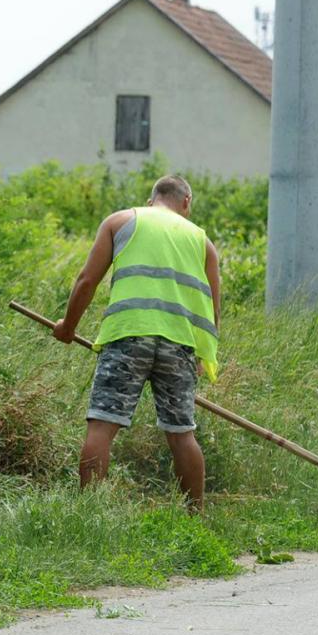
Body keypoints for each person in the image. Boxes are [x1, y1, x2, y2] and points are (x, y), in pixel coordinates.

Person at [53, 174, 221, 512]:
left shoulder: (121, 221)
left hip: (128, 333)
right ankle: (195, 519)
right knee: (181, 433)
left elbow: (87, 280)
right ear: (186, 203)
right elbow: (212, 309)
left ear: (150, 200)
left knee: (103, 423)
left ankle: (90, 515)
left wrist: (67, 326)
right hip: (180, 344)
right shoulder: (202, 242)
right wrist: (202, 357)